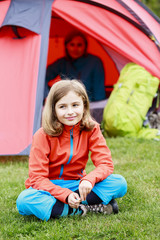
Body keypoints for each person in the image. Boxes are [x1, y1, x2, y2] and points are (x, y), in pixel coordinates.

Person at [16, 80, 127, 221]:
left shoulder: (92, 129)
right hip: (49, 188)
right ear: (53, 110)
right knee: (24, 201)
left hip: (78, 184)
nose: (70, 112)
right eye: (62, 107)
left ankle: (64, 207)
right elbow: (37, 178)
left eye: (75, 105)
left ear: (84, 106)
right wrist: (64, 194)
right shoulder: (42, 135)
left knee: (119, 183)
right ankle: (85, 208)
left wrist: (89, 180)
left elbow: (105, 163)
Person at [45, 31, 106, 102]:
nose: (75, 49)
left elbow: (99, 93)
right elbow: (42, 77)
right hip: (67, 104)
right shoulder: (62, 63)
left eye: (79, 45)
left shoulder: (95, 62)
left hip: (89, 104)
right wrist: (47, 95)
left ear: (85, 46)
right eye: (72, 45)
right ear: (66, 46)